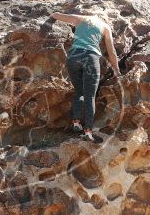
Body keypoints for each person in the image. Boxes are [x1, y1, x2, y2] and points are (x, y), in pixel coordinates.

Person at [51, 10, 121, 143]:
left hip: (73, 57)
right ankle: (88, 131)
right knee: (90, 96)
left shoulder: (81, 18)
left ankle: (76, 122)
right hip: (90, 58)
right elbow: (111, 52)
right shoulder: (105, 27)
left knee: (79, 91)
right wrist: (116, 70)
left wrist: (52, 15)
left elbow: (59, 16)